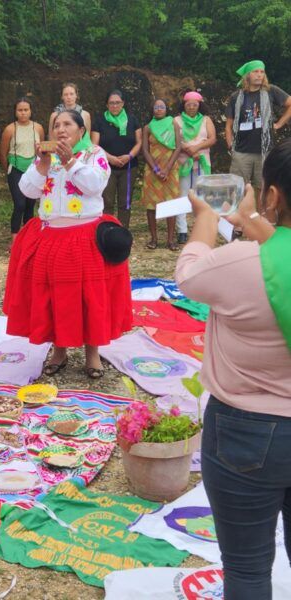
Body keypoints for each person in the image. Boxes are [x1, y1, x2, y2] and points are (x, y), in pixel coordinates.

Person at [175, 138, 291, 600]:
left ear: (273, 195)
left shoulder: (241, 263)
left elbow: (189, 273)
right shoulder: (260, 254)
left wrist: (205, 220)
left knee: (246, 571)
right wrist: (257, 224)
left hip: (245, 430)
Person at [3, 110, 132, 379]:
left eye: (68, 125)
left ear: (81, 131)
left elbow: (94, 186)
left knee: (89, 297)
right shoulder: (45, 159)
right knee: (56, 296)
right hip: (51, 236)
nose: (61, 130)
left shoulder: (94, 154)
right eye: (56, 125)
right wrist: (41, 165)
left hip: (85, 236)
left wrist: (70, 161)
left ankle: (92, 353)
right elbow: (27, 190)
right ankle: (58, 351)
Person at [225, 60, 291, 209]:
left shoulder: (271, 91)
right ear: (248, 75)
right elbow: (229, 125)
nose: (259, 75)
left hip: (265, 151)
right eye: (256, 72)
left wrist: (279, 124)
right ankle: (238, 225)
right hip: (241, 152)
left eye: (262, 72)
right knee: (237, 189)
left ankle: (260, 223)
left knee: (263, 188)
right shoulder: (236, 96)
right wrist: (230, 145)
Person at [91, 90, 142, 229]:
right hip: (106, 167)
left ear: (123, 103)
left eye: (117, 103)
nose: (114, 106)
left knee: (125, 202)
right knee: (107, 201)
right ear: (107, 105)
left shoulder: (132, 120)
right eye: (111, 103)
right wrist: (110, 158)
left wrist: (129, 156)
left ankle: (123, 230)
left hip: (129, 167)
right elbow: (94, 144)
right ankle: (107, 230)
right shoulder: (100, 120)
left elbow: (139, 142)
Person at [0, 98, 45, 247]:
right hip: (16, 168)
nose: (23, 113)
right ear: (15, 112)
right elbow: (3, 152)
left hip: (33, 169)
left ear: (31, 111)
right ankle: (15, 240)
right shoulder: (10, 129)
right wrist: (9, 168)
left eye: (26, 110)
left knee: (30, 205)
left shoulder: (38, 128)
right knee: (19, 204)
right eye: (20, 110)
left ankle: (28, 239)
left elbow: (42, 150)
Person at [173, 91, 216, 244]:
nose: (191, 107)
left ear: (199, 105)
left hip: (202, 161)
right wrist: (189, 150)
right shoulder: (176, 120)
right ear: (184, 105)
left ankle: (201, 227)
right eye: (188, 104)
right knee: (182, 194)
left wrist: (196, 148)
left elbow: (212, 139)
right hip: (183, 162)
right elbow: (175, 140)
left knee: (203, 195)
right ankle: (182, 230)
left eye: (195, 104)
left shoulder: (206, 120)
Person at [141, 99, 181, 250]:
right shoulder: (148, 127)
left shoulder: (173, 124)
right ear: (152, 109)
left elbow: (178, 147)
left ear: (166, 109)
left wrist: (167, 169)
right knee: (151, 206)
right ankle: (154, 239)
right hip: (152, 170)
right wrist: (157, 170)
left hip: (170, 169)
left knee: (171, 204)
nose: (159, 109)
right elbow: (145, 150)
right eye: (156, 107)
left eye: (162, 107)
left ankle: (170, 240)